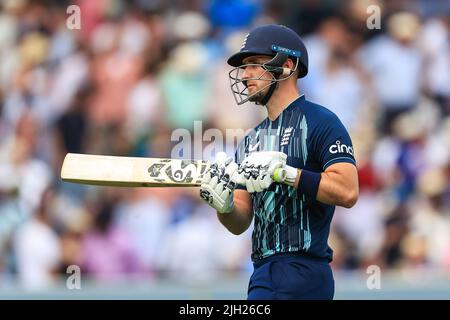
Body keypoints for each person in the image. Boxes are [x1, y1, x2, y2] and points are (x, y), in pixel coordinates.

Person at [199, 24, 359, 300]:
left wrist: (286, 173)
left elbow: (347, 191)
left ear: (286, 66)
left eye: (254, 64)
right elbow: (240, 221)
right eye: (244, 66)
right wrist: (223, 205)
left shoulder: (321, 121)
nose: (245, 74)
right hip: (262, 270)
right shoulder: (250, 140)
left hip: (304, 268)